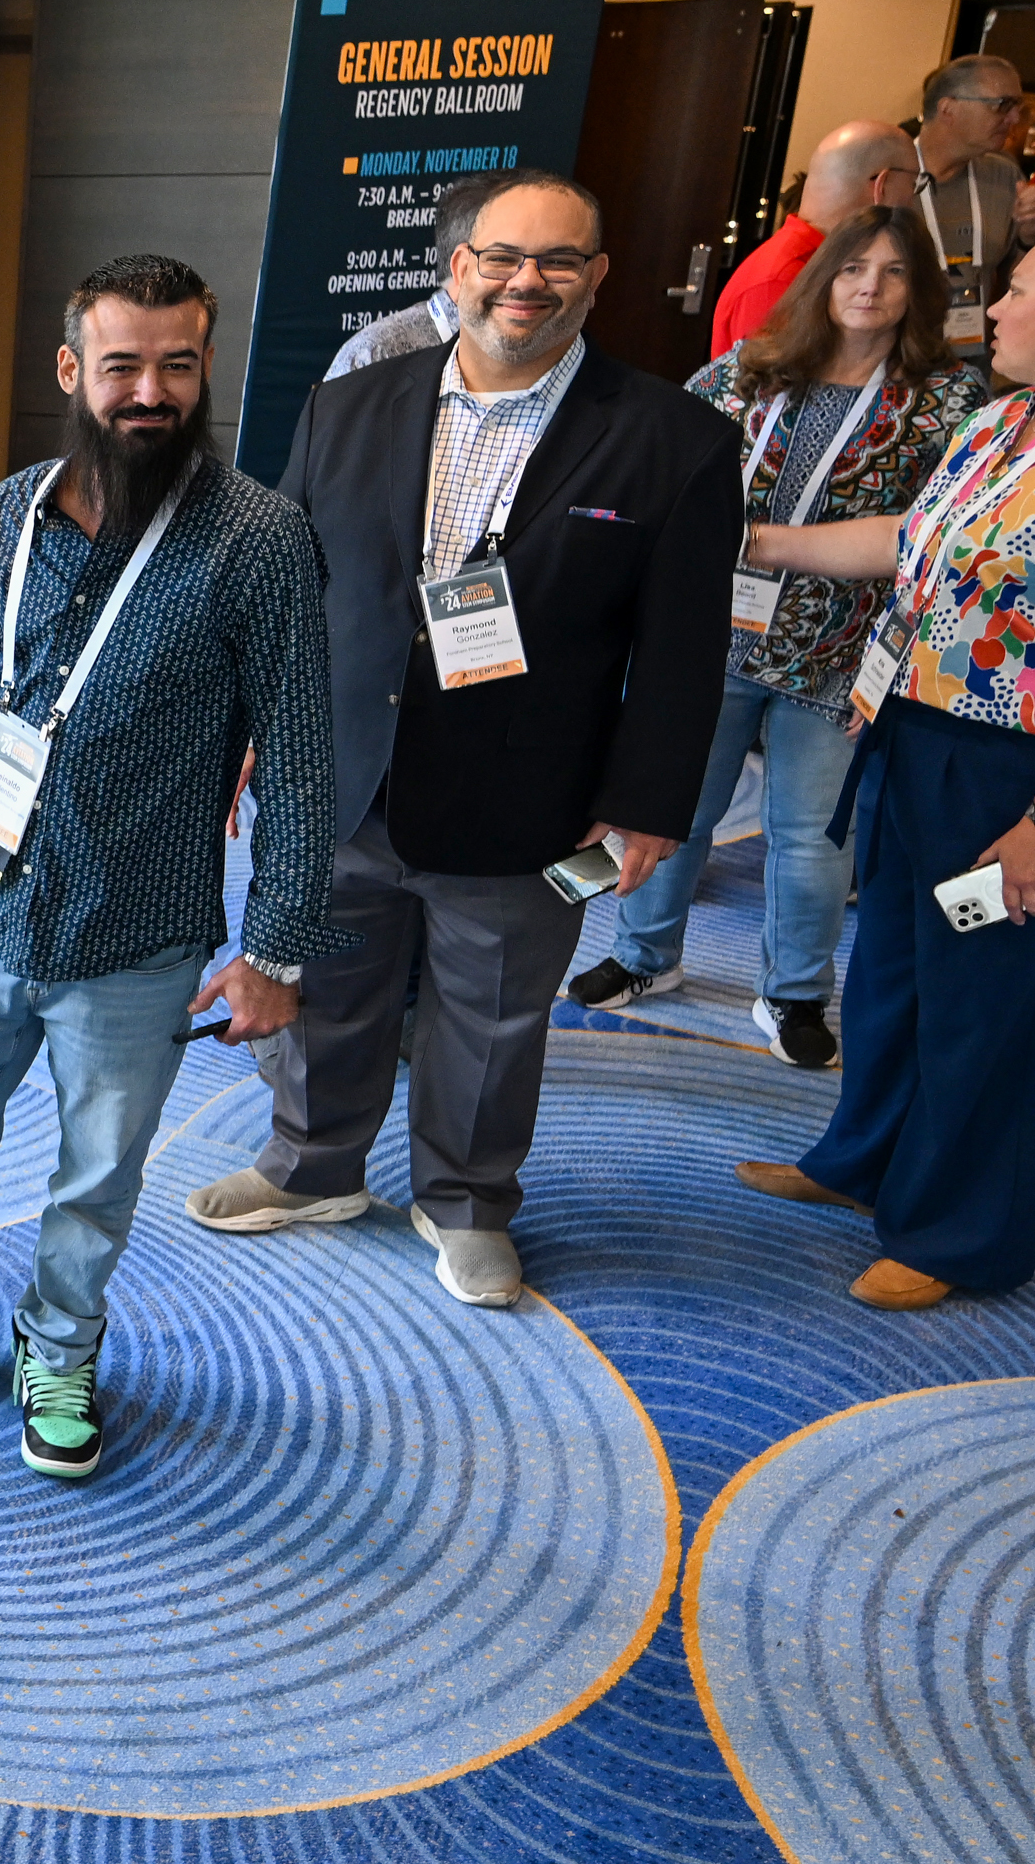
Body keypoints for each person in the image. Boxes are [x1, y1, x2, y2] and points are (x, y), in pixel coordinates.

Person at [0, 255, 341, 1477]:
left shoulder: (255, 539)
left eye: (177, 366)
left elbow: (301, 763)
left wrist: (276, 949)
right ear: (70, 370)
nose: (149, 390)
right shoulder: (8, 513)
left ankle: (61, 1343)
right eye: (122, 366)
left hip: (136, 935)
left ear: (205, 370)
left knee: (94, 1174)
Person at [185, 170, 739, 1305]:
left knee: (488, 1018)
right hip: (340, 773)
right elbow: (288, 588)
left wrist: (646, 803)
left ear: (596, 276)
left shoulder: (674, 438)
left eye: (557, 260)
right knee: (324, 986)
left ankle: (467, 1199)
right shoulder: (354, 402)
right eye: (501, 256)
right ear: (456, 268)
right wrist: (250, 728)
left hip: (528, 791)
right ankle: (311, 1165)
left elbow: (683, 647)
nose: (524, 281)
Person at [734, 215, 1035, 1305]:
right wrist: (758, 541)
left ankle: (960, 1233)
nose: (991, 308)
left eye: (1015, 289)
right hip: (922, 732)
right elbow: (913, 541)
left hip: (1033, 770)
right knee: (901, 974)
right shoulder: (1007, 420)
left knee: (996, 1000)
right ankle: (867, 1161)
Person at [568, 212, 984, 1062]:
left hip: (840, 648)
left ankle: (794, 996)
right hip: (711, 635)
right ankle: (645, 956)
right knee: (672, 809)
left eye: (894, 272)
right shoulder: (746, 369)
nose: (869, 286)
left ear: (921, 291)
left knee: (810, 837)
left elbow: (944, 526)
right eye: (852, 268)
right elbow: (658, 461)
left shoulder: (951, 397)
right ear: (822, 279)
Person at [708, 121, 918, 363]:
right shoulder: (783, 279)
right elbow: (771, 391)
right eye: (913, 185)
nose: (913, 201)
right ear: (882, 185)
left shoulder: (825, 260)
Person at [909, 55, 1035, 356]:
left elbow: (1018, 280)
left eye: (1017, 108)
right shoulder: (890, 174)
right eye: (1001, 105)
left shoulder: (1003, 175)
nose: (1013, 121)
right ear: (948, 108)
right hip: (893, 366)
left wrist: (1031, 237)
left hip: (970, 360)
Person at [326, 175, 487, 379]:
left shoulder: (528, 348)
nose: (529, 279)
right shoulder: (377, 353)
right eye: (504, 258)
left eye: (542, 259)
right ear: (463, 266)